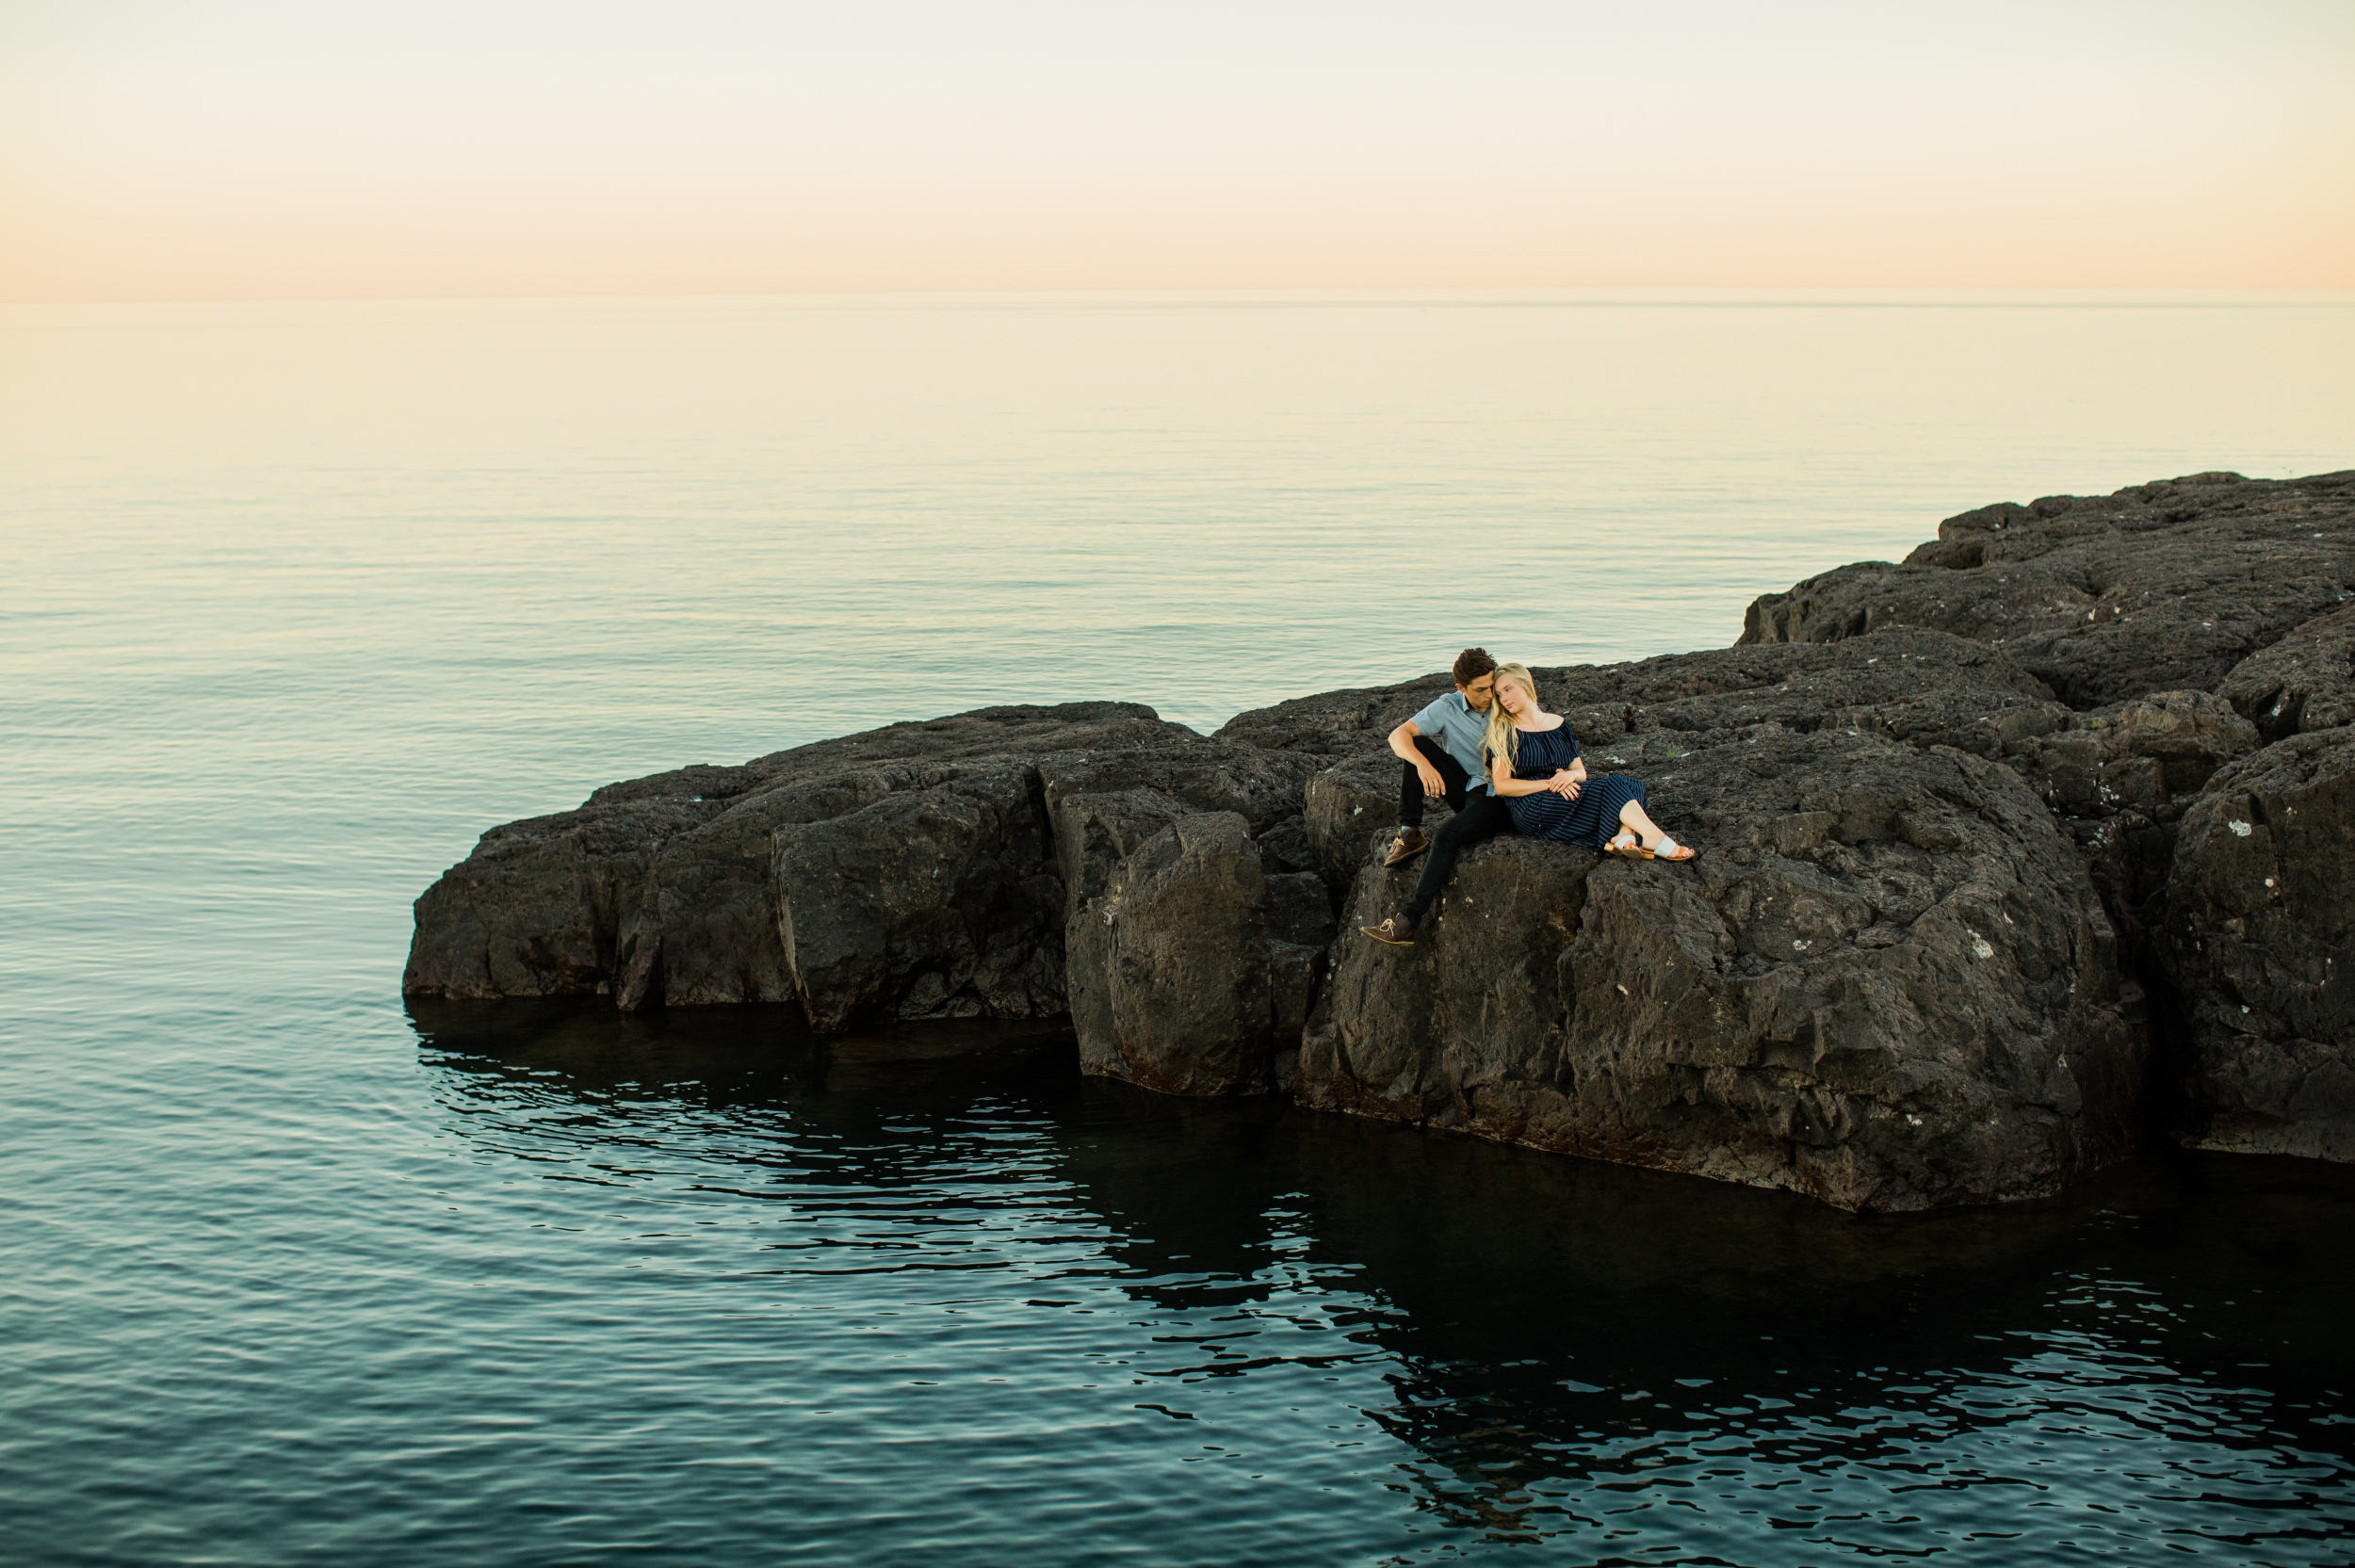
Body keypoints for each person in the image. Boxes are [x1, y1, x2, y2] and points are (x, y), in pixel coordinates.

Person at [1358, 648, 1513, 947]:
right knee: (1415, 744)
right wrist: (1423, 764)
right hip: (1466, 787)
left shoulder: (1506, 701)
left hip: (1500, 795)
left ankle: (1407, 922)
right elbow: (1397, 736)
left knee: (1446, 835)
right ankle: (1409, 832)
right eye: (1480, 690)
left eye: (1491, 686)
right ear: (1461, 688)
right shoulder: (1447, 707)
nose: (1488, 694)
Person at [1483, 662, 1696, 861]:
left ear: (1526, 684)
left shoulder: (1559, 724)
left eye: (1509, 689)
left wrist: (1568, 776)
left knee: (1633, 784)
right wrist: (1551, 784)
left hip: (1565, 791)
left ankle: (1624, 835)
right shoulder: (1504, 730)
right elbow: (1502, 786)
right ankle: (1653, 838)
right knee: (1613, 786)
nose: (1504, 699)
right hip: (1531, 806)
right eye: (1499, 695)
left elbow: (1580, 772)